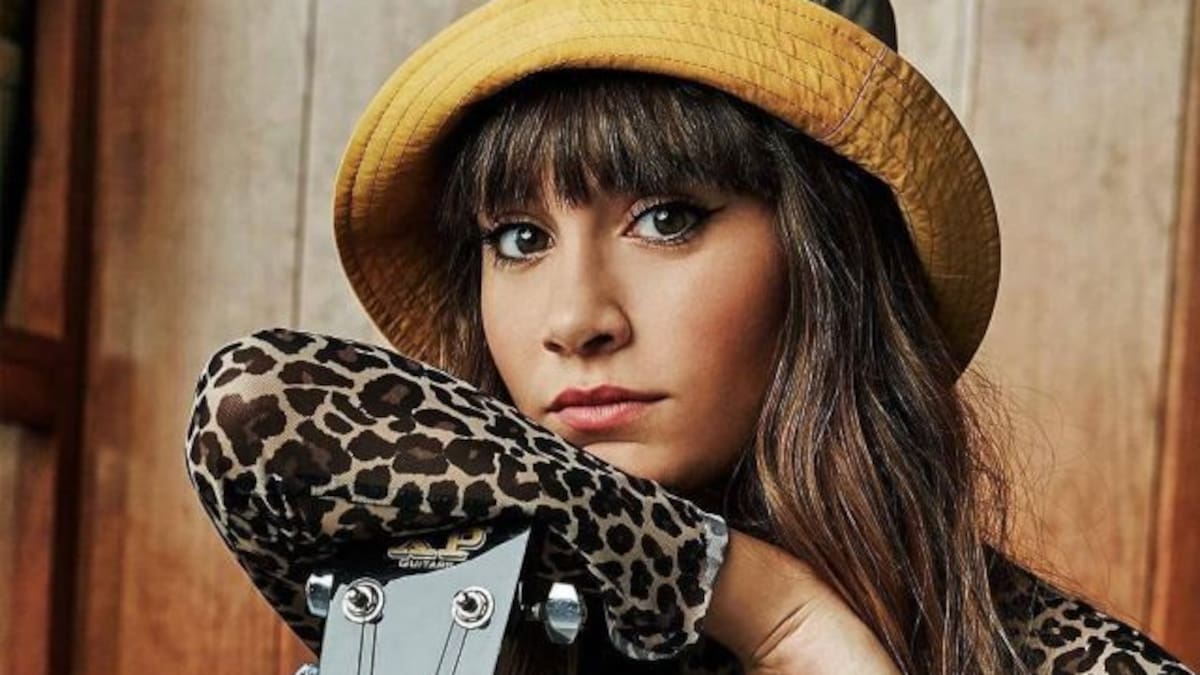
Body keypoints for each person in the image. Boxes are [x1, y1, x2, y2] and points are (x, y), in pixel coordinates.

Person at [183, 0, 1194, 673]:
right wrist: (762, 602)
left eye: (666, 219)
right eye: (520, 239)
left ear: (825, 257)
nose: (576, 320)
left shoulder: (1051, 658)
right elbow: (257, 402)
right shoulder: (444, 584)